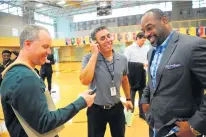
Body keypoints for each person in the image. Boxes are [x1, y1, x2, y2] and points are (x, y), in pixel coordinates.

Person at [0, 24, 96, 137]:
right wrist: (81, 102)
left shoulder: (21, 72)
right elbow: (44, 123)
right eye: (45, 46)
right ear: (28, 44)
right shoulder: (24, 78)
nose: (49, 52)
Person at [140, 8, 206, 137]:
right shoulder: (151, 52)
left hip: (181, 129)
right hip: (156, 125)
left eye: (149, 28)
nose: (146, 34)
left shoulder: (192, 46)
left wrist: (195, 125)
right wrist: (145, 100)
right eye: (143, 31)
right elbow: (153, 80)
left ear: (164, 20)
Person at [80, 26, 133, 137]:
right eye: (103, 38)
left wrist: (128, 98)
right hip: (96, 109)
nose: (108, 40)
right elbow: (85, 80)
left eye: (109, 36)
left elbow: (124, 79)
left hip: (117, 108)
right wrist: (94, 55)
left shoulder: (122, 58)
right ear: (96, 43)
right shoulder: (88, 58)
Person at [124, 32, 149, 118]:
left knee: (142, 94)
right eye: (142, 40)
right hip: (132, 75)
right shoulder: (129, 49)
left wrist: (145, 65)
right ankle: (129, 115)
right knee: (131, 95)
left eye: (145, 40)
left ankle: (142, 113)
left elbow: (147, 60)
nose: (143, 42)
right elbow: (126, 62)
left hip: (142, 73)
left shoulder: (146, 48)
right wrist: (140, 64)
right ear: (137, 38)